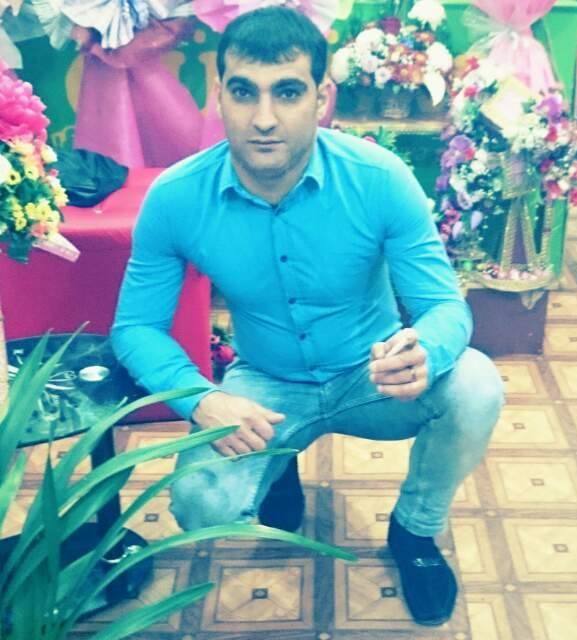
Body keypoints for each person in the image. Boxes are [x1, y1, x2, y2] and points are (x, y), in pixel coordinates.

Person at [111, 6, 504, 627]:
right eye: (244, 92)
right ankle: (281, 465)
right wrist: (200, 399)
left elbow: (442, 306)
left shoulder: (380, 179)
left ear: (322, 98)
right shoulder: (177, 198)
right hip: (266, 387)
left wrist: (426, 349)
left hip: (370, 377)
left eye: (288, 92)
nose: (264, 118)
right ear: (219, 93)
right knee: (198, 503)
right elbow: (134, 327)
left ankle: (414, 531)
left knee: (477, 385)